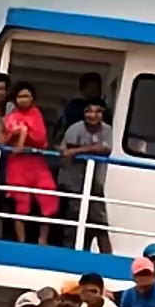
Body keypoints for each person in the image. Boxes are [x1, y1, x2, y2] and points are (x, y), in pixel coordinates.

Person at [2, 84, 59, 245]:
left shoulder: (36, 114)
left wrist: (24, 132)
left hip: (36, 162)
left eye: (27, 96)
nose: (24, 100)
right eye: (20, 97)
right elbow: (8, 139)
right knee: (21, 202)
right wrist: (21, 134)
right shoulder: (11, 117)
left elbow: (41, 139)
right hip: (18, 165)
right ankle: (21, 241)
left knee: (48, 194)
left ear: (33, 98)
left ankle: (43, 239)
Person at [59, 99, 113, 253]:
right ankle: (69, 255)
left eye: (97, 111)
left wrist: (78, 150)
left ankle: (107, 259)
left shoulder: (107, 130)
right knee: (73, 222)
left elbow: (105, 149)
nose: (92, 115)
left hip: (95, 184)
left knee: (100, 224)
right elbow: (64, 151)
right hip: (74, 183)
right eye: (89, 111)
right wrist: (88, 149)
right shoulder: (74, 129)